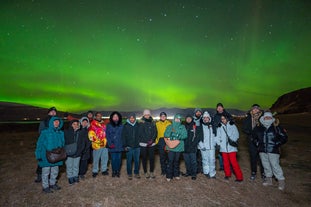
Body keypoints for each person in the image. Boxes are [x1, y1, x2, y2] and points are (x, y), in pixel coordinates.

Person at [252, 112, 288, 191]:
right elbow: (253, 137)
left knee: (275, 166)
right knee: (266, 166)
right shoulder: (259, 127)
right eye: (266, 117)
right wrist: (258, 144)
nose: (267, 118)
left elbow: (284, 137)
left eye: (269, 117)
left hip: (273, 150)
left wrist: (276, 144)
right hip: (262, 150)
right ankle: (269, 181)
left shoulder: (276, 127)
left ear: (271, 118)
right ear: (263, 118)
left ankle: (281, 182)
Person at [35, 116, 64, 193]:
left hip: (57, 156)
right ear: (51, 123)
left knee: (55, 171)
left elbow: (63, 144)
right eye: (55, 121)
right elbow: (39, 144)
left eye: (58, 121)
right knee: (46, 172)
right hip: (46, 156)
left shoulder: (60, 133)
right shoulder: (45, 132)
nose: (57, 123)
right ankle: (45, 187)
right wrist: (38, 155)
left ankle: (52, 183)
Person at [217, 115, 243, 182]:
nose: (223, 120)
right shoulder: (220, 127)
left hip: (231, 148)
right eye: (222, 119)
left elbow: (236, 135)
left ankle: (239, 177)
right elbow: (218, 137)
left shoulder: (232, 125)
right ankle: (227, 174)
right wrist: (220, 144)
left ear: (227, 119)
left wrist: (232, 140)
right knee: (225, 162)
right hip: (223, 148)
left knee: (233, 162)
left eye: (224, 119)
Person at [35, 106, 57, 183]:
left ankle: (52, 177)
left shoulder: (57, 121)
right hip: (46, 143)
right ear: (48, 112)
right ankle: (39, 175)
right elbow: (41, 132)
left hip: (54, 144)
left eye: (54, 112)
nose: (53, 113)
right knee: (44, 160)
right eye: (52, 111)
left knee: (54, 159)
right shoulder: (44, 121)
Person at [242, 104, 265, 180]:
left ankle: (263, 173)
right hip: (252, 140)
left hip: (261, 140)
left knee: (262, 157)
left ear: (259, 110)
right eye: (254, 109)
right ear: (251, 110)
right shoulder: (248, 118)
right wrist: (250, 133)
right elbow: (244, 128)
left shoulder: (263, 117)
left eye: (257, 109)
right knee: (253, 157)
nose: (255, 110)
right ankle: (253, 172)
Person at [164, 114, 187, 181]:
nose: (177, 120)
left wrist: (178, 136)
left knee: (176, 161)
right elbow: (166, 134)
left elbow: (185, 135)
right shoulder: (170, 126)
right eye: (176, 119)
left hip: (179, 147)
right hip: (171, 146)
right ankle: (169, 175)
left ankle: (176, 174)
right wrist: (172, 134)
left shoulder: (182, 127)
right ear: (174, 119)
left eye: (179, 119)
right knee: (170, 161)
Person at [213, 103, 233, 171]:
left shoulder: (227, 115)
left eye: (220, 107)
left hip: (226, 136)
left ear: (223, 108)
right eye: (218, 107)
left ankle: (229, 166)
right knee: (220, 152)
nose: (219, 108)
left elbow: (231, 123)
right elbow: (214, 125)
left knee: (227, 152)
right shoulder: (215, 116)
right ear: (216, 109)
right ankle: (222, 166)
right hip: (219, 136)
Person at [64, 119, 85, 184]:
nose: (75, 125)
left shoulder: (81, 132)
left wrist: (80, 150)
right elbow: (65, 142)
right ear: (71, 125)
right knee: (69, 166)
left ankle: (75, 176)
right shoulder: (67, 132)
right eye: (74, 124)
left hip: (78, 152)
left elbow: (83, 143)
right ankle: (70, 177)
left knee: (76, 165)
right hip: (69, 152)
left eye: (77, 124)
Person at [88, 112, 109, 177]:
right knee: (96, 159)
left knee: (105, 158)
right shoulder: (92, 124)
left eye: (100, 116)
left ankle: (104, 170)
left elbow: (107, 133)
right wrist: (98, 141)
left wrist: (107, 141)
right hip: (97, 145)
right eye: (98, 116)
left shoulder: (104, 124)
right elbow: (91, 135)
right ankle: (95, 171)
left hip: (105, 145)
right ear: (95, 117)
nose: (99, 117)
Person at [183, 114, 203, 180]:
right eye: (187, 118)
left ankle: (194, 174)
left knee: (193, 161)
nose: (188, 119)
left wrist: (194, 144)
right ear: (185, 119)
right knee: (187, 161)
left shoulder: (195, 126)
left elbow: (198, 137)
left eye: (190, 118)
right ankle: (188, 172)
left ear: (192, 119)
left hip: (193, 148)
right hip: (185, 148)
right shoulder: (183, 127)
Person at [139, 109, 157, 179]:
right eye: (145, 115)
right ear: (143, 115)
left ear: (150, 115)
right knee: (144, 158)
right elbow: (140, 133)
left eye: (148, 114)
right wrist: (147, 141)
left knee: (152, 158)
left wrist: (152, 140)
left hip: (151, 144)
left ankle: (151, 171)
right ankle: (145, 172)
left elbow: (155, 132)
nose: (147, 116)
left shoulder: (153, 122)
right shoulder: (141, 122)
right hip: (144, 144)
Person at [122, 113, 141, 180]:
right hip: (129, 146)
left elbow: (140, 135)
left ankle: (136, 173)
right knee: (129, 161)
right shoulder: (125, 126)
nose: (132, 119)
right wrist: (125, 145)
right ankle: (129, 173)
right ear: (128, 118)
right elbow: (123, 137)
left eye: (133, 118)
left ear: (135, 118)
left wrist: (140, 143)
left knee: (137, 161)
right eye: (130, 118)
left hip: (137, 146)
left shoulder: (138, 125)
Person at [198, 111, 217, 178]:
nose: (206, 119)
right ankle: (206, 172)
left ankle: (212, 173)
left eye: (207, 117)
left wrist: (215, 143)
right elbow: (198, 136)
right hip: (203, 146)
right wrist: (201, 145)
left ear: (209, 118)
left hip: (211, 146)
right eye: (204, 118)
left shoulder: (212, 126)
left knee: (212, 160)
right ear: (203, 118)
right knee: (205, 159)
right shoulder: (200, 126)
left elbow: (215, 135)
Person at [106, 111, 124, 178]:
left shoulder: (122, 125)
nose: (115, 118)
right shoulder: (109, 125)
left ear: (119, 118)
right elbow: (107, 135)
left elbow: (123, 135)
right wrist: (110, 144)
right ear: (112, 118)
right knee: (113, 159)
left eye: (117, 116)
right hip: (112, 145)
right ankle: (114, 171)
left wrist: (123, 144)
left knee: (119, 159)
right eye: (114, 116)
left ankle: (118, 171)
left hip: (119, 145)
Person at [193, 108, 203, 174]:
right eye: (197, 112)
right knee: (195, 155)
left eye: (199, 112)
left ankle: (201, 168)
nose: (198, 113)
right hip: (194, 140)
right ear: (195, 113)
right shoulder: (192, 120)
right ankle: (196, 168)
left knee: (201, 155)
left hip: (202, 139)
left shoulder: (203, 119)